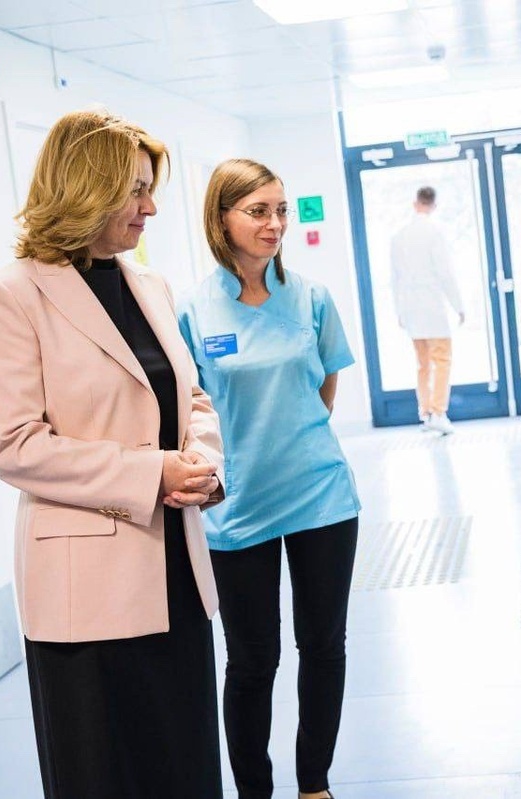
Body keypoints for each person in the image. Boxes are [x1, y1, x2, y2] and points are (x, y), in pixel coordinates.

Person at [0, 109, 225, 798]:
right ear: (86, 188)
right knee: (103, 777)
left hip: (176, 571)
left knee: (188, 771)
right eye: (135, 190)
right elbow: (13, 444)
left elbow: (192, 398)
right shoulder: (10, 295)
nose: (150, 208)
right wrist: (151, 472)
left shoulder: (150, 285)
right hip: (85, 595)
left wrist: (202, 465)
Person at [176, 158, 360, 799]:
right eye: (258, 211)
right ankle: (255, 790)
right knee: (253, 661)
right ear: (220, 218)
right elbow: (188, 408)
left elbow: (326, 386)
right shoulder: (193, 311)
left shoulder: (311, 298)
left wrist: (294, 437)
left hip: (321, 497)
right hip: (238, 507)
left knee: (324, 646)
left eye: (281, 210)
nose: (275, 223)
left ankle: (314, 785)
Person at [389, 185, 464, 434]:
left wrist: (399, 311)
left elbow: (395, 279)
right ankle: (439, 413)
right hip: (433, 308)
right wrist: (459, 306)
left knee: (422, 364)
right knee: (442, 361)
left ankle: (426, 413)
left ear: (415, 203)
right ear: (434, 205)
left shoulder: (399, 236)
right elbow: (445, 273)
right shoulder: (435, 233)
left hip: (412, 310)